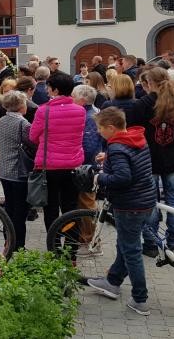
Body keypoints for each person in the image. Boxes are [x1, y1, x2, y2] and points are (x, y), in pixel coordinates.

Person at [87, 107, 157, 316]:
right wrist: (108, 157)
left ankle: (140, 299)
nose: (99, 132)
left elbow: (123, 178)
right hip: (146, 200)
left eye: (100, 129)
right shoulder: (135, 137)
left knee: (132, 251)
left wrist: (99, 177)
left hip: (130, 205)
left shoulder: (117, 147)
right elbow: (131, 162)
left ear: (110, 127)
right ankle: (113, 282)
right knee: (126, 245)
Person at [132, 67, 174, 255]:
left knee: (150, 201)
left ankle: (152, 244)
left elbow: (133, 130)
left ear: (149, 83)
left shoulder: (143, 103)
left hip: (148, 159)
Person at [30, 72, 85, 231]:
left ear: (55, 90)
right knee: (71, 207)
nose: (47, 90)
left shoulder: (43, 111)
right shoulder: (80, 110)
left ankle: (54, 248)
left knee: (51, 208)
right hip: (73, 164)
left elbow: (33, 136)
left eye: (48, 87)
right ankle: (71, 248)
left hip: (49, 166)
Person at [0, 91, 34, 250]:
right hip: (19, 171)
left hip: (5, 170)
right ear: (20, 106)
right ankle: (18, 245)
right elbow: (32, 143)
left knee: (9, 208)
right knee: (20, 211)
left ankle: (8, 240)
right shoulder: (23, 123)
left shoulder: (3, 119)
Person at [71, 84, 103, 256]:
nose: (71, 99)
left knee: (86, 202)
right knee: (84, 202)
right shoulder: (93, 113)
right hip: (87, 165)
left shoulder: (89, 117)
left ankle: (90, 239)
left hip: (86, 167)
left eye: (73, 96)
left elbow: (89, 147)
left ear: (82, 100)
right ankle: (86, 236)